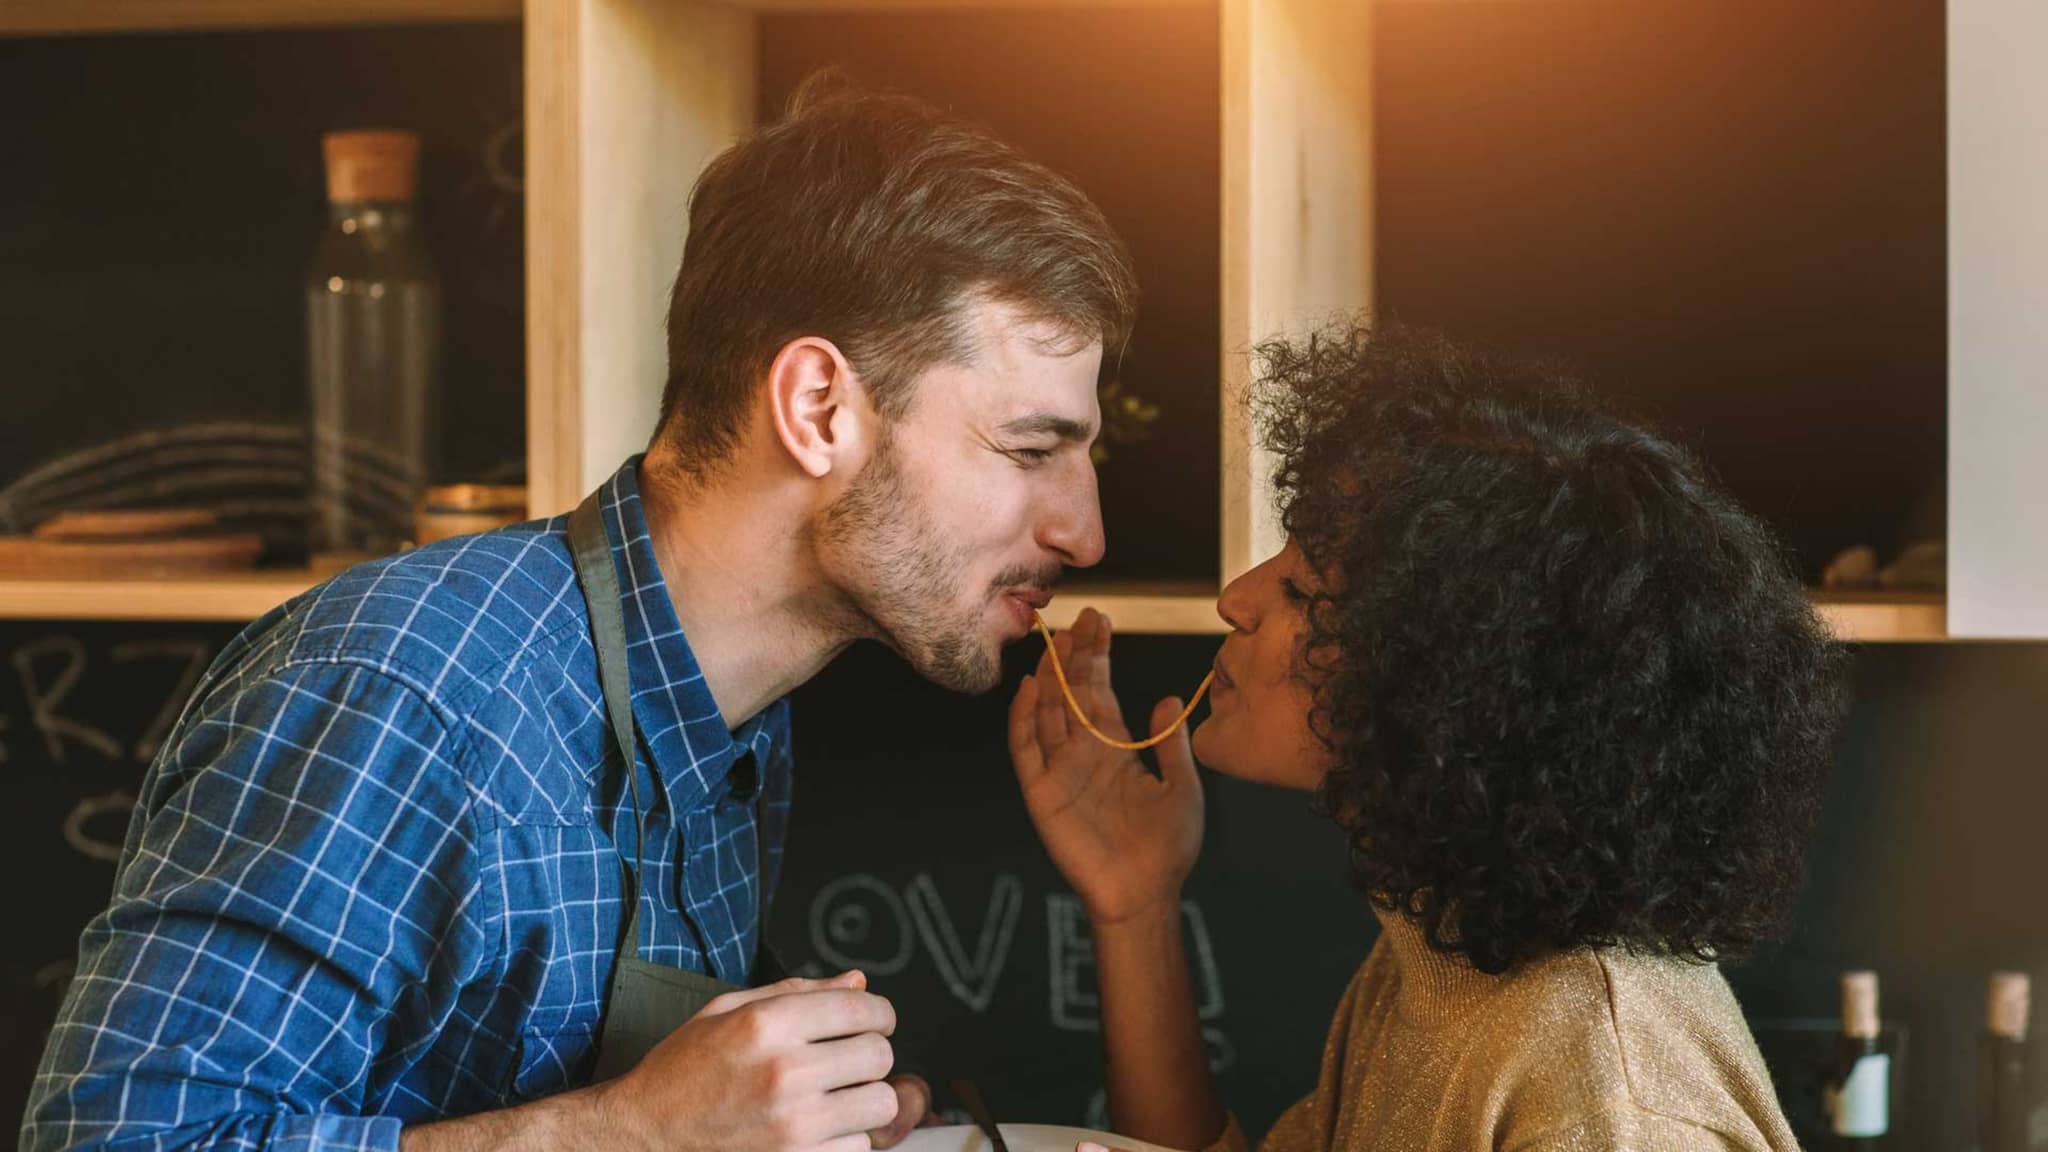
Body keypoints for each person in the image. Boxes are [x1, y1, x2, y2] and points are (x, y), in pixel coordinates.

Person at [24, 77, 1134, 1152]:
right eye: (1030, 450)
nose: (1081, 534)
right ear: (816, 408)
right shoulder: (402, 695)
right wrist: (627, 1138)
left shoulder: (737, 713)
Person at [1011, 322, 1847, 1152]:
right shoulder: (1448, 950)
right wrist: (1137, 907)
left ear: (1450, 682)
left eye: (1304, 590)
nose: (1238, 597)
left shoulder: (1601, 1101)